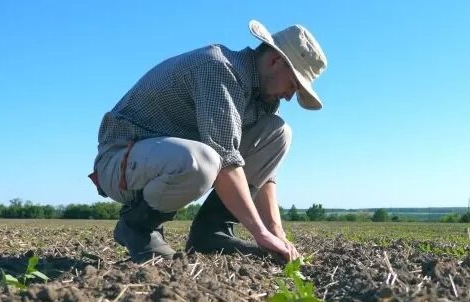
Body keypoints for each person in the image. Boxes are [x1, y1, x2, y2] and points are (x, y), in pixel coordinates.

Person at [89, 20, 327, 263]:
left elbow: (264, 175)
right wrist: (260, 233)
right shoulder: (219, 69)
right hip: (120, 161)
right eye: (293, 84)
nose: (289, 96)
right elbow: (225, 158)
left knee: (278, 132)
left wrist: (277, 232)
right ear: (275, 61)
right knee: (203, 161)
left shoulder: (262, 96)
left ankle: (212, 233)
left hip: (165, 160)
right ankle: (138, 226)